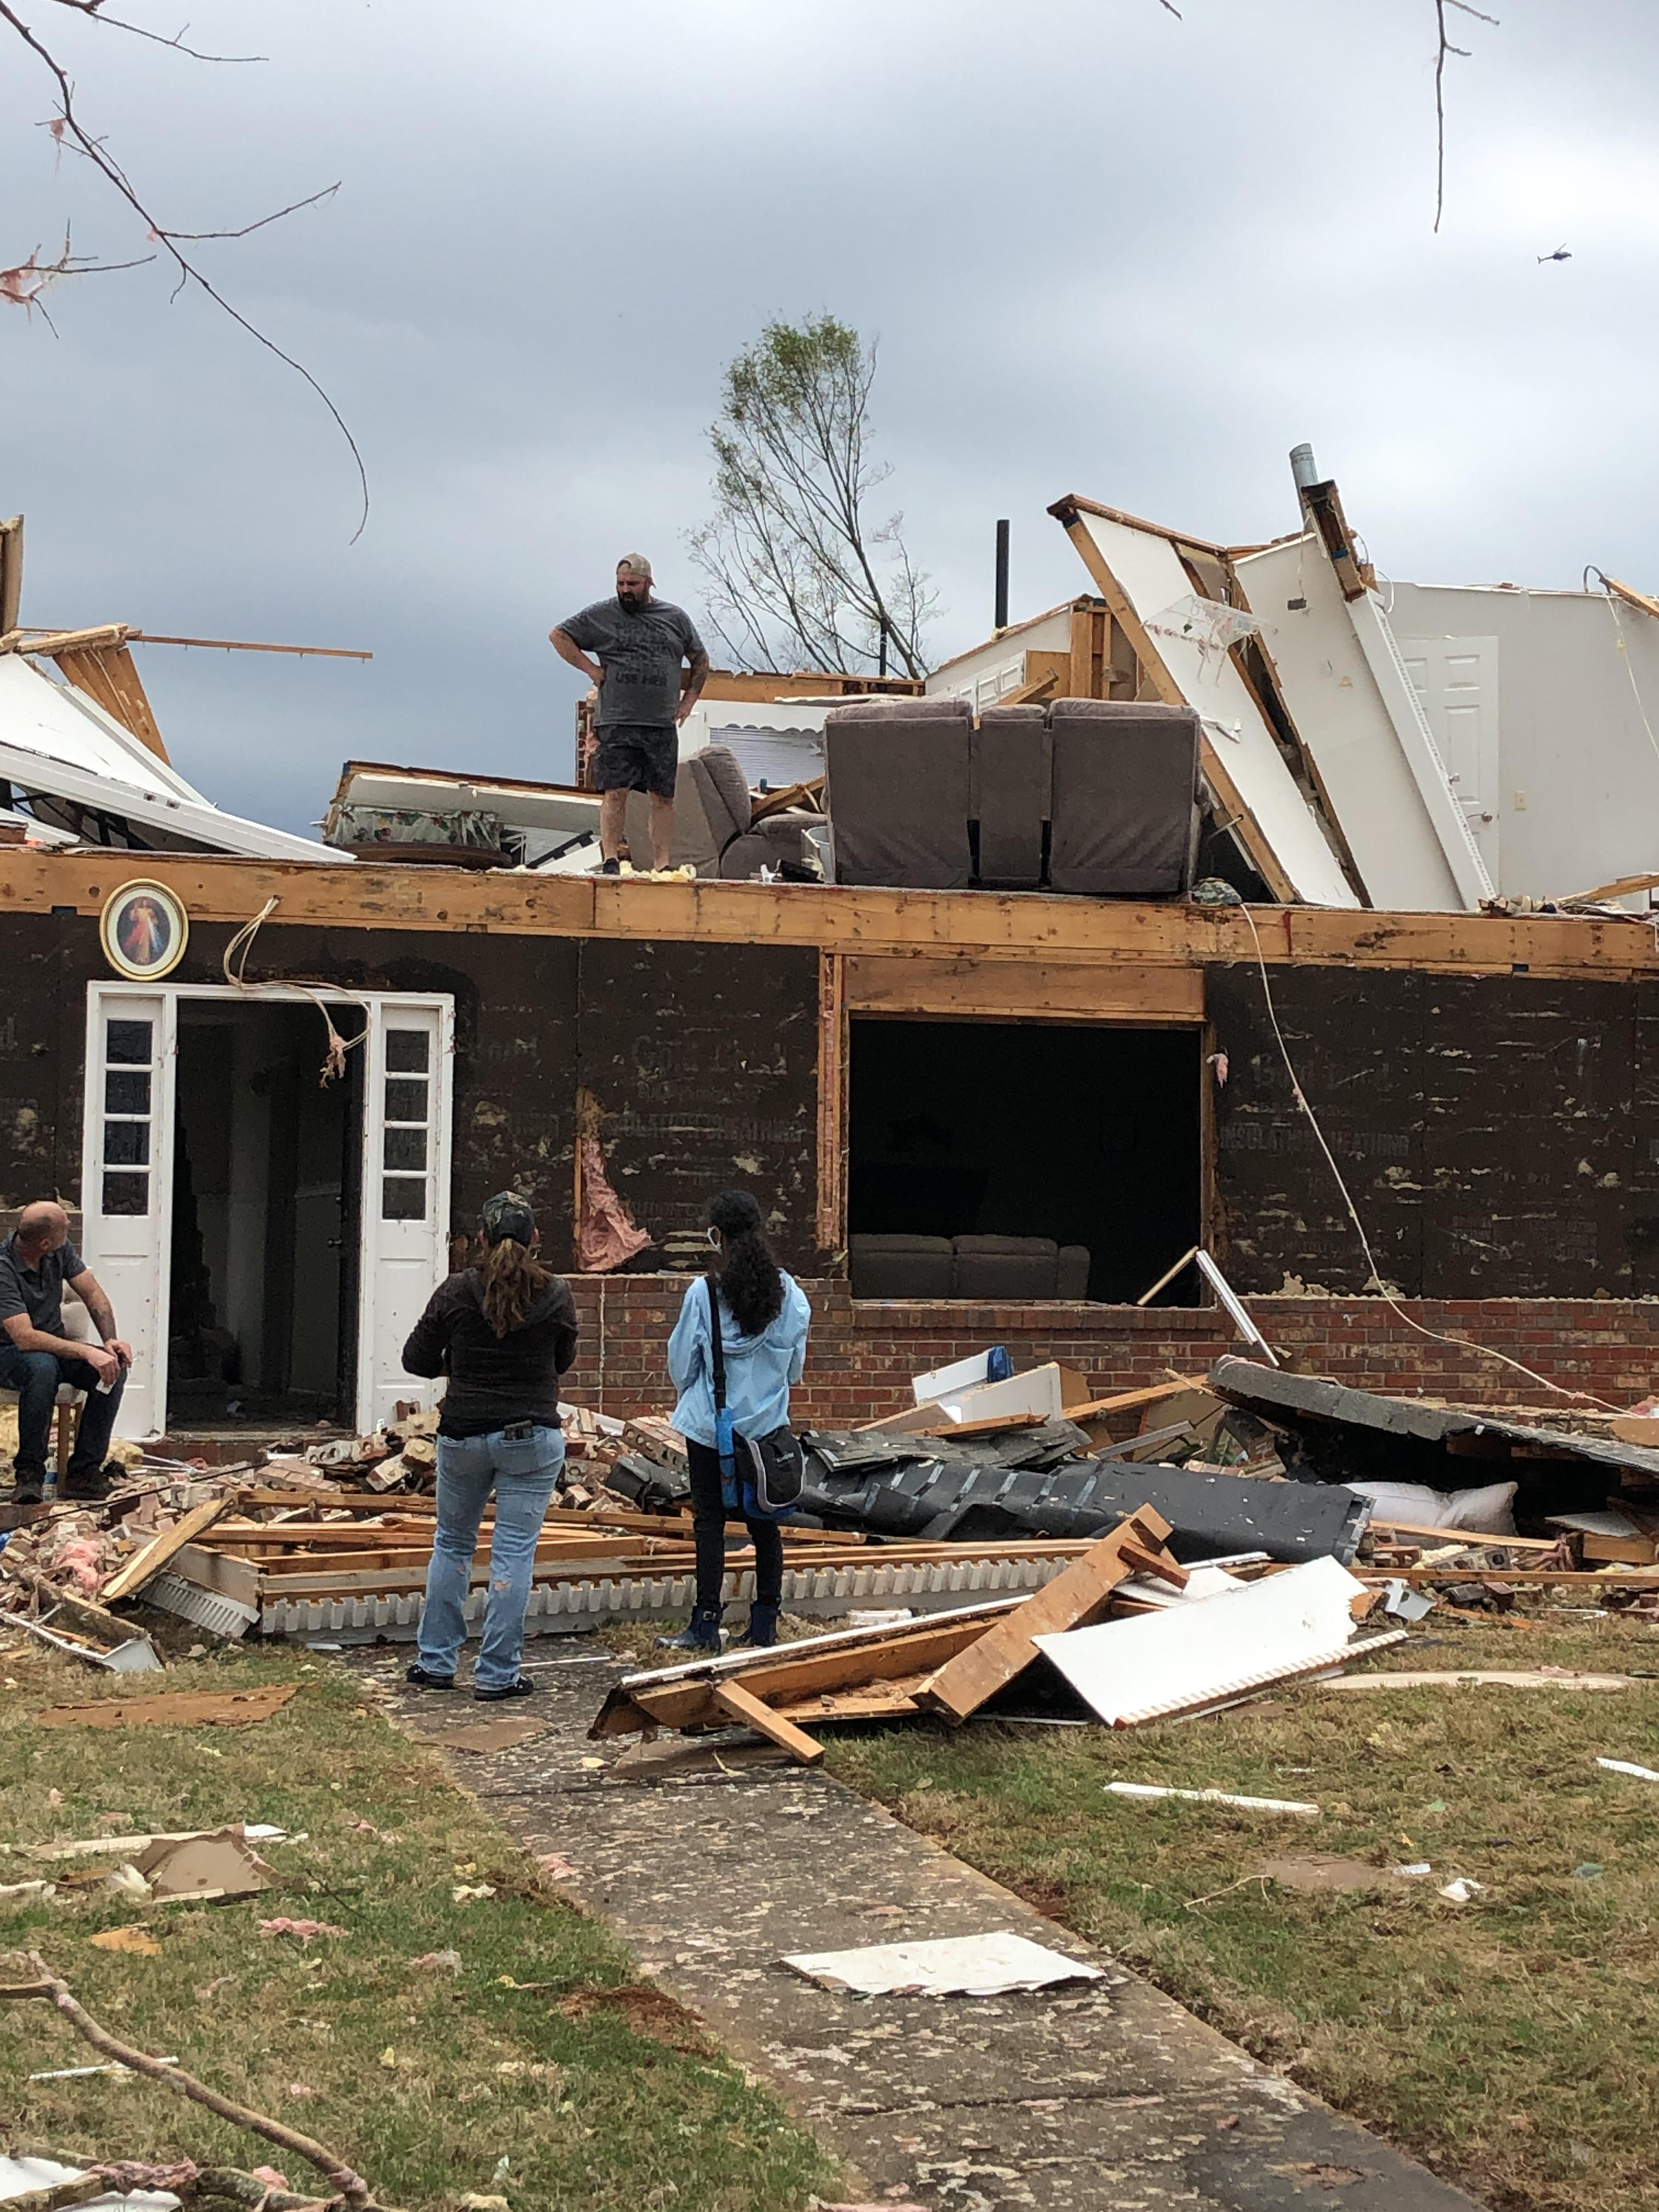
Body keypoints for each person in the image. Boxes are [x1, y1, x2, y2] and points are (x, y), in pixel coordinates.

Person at [401, 1190, 579, 1700]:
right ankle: (498, 1674)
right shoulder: (557, 1293)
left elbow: (416, 1358)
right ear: (536, 1240)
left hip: (463, 1434)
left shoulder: (457, 1291)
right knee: (514, 1555)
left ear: (480, 1238)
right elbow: (560, 1362)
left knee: (453, 1545)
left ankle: (435, 1662)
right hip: (530, 1437)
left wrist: (457, 1367)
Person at [658, 1189, 812, 1654]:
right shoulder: (792, 1295)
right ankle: (765, 1623)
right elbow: (795, 1372)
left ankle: (705, 1625)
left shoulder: (704, 1295)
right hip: (767, 1435)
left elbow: (682, 1367)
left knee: (710, 1523)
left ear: (717, 1237)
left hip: (712, 1430)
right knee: (766, 1523)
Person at [549, 554, 710, 874]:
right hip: (617, 720)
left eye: (633, 584)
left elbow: (700, 658)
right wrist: (592, 670)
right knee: (615, 791)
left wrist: (690, 699)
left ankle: (662, 863)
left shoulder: (674, 618)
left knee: (662, 796)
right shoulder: (601, 615)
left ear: (648, 583)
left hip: (660, 723)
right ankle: (611, 858)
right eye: (621, 584)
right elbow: (558, 635)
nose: (626, 590)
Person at [0, 1202, 133, 1506]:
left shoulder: (58, 1252)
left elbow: (93, 1294)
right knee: (42, 1369)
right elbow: (25, 1337)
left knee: (113, 1368)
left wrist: (109, 1342)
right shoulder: (4, 1267)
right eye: (65, 1227)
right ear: (45, 1241)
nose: (70, 1229)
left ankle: (84, 1473)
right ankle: (29, 1476)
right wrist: (87, 1351)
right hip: (9, 1353)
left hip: (54, 1348)